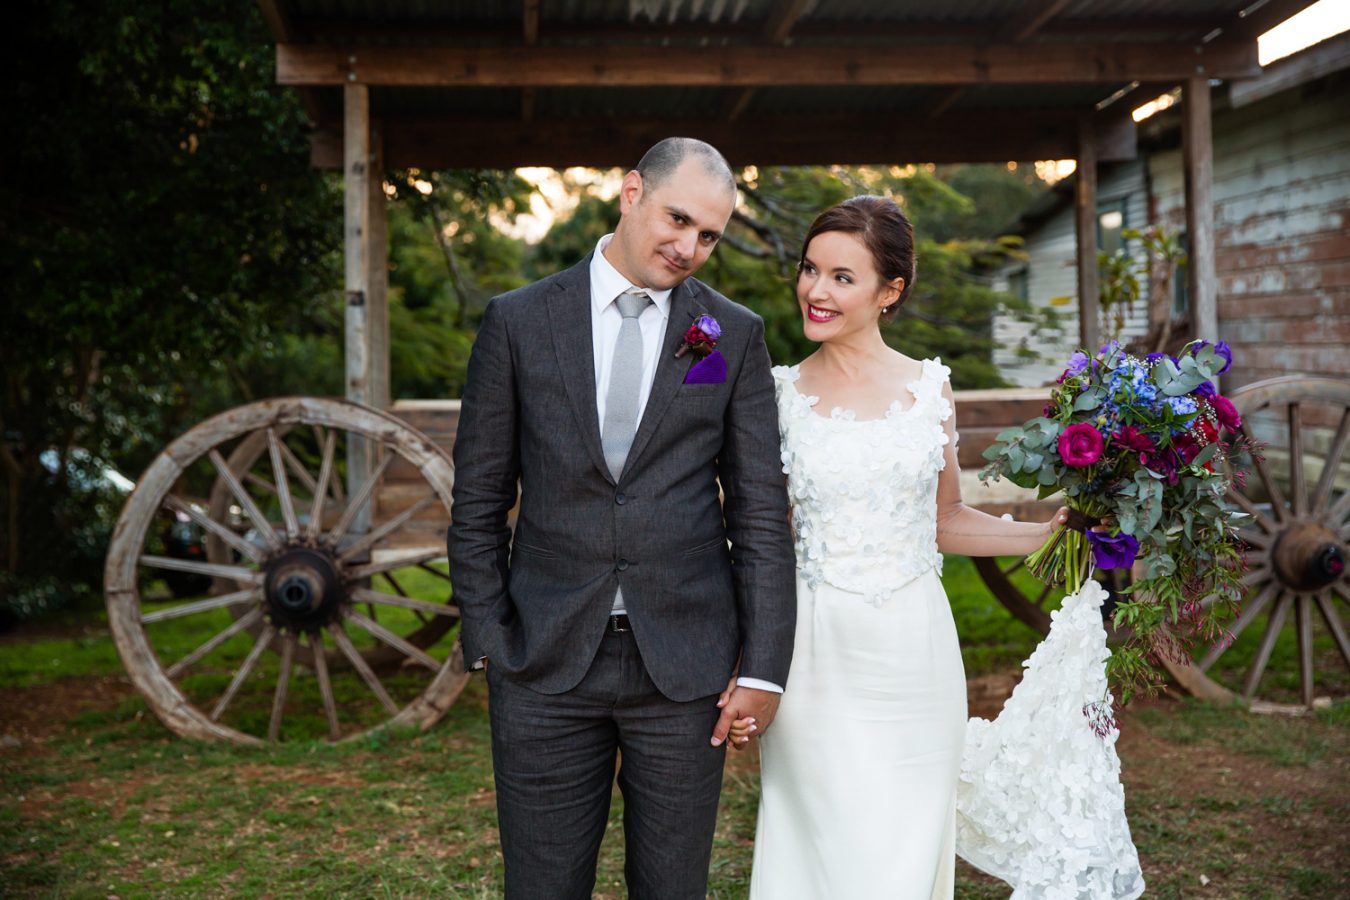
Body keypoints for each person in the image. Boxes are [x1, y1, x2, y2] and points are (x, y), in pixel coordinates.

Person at [739, 196, 1143, 898]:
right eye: (810, 269)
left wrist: (1046, 533)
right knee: (823, 844)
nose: (815, 290)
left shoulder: (930, 388)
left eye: (842, 277)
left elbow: (945, 518)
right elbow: (758, 538)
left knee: (906, 844)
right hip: (813, 656)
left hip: (913, 655)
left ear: (889, 291)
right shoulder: (777, 394)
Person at [447, 137, 796, 900]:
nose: (689, 248)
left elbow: (760, 514)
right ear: (631, 192)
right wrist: (489, 637)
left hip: (686, 671)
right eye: (679, 219)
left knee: (672, 887)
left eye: (709, 235)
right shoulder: (518, 321)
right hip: (541, 662)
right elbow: (477, 498)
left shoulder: (730, 335)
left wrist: (763, 668)